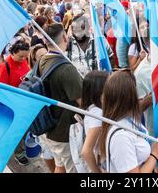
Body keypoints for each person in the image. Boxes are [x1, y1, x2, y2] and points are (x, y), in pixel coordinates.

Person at [99, 71, 158, 173]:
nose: (139, 98)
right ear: (129, 98)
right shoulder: (120, 136)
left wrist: (151, 162)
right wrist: (155, 154)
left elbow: (136, 158)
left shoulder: (127, 120)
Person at [39, 24, 83, 173]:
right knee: (72, 168)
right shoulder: (66, 68)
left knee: (60, 165)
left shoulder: (43, 60)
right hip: (65, 132)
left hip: (49, 126)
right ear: (65, 37)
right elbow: (82, 102)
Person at [81, 71, 110, 173]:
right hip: (104, 165)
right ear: (99, 91)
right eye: (108, 86)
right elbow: (86, 151)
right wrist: (97, 172)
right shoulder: (98, 114)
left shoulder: (93, 108)